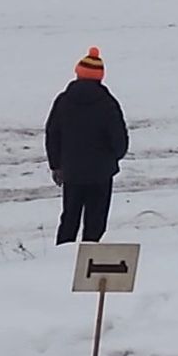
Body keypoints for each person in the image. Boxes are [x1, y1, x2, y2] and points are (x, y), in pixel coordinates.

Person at [45, 47, 129, 245]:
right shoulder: (108, 103)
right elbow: (119, 140)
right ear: (100, 77)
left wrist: (56, 165)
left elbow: (52, 135)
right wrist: (113, 158)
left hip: (72, 172)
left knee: (69, 220)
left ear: (78, 74)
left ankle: (61, 258)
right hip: (101, 174)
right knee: (95, 223)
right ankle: (90, 262)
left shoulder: (63, 101)